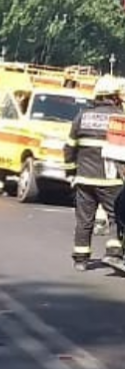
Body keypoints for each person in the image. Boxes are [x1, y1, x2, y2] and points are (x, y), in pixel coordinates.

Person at [63, 76, 124, 272]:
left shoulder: (83, 116)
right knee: (117, 217)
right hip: (111, 178)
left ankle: (80, 259)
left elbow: (70, 147)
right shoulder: (120, 118)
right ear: (114, 96)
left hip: (84, 178)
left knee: (84, 219)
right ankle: (114, 254)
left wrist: (71, 172)